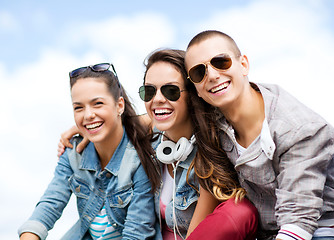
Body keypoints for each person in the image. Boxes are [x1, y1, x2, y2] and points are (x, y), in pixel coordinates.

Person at [58, 49, 258, 240]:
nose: (158, 99)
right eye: (149, 91)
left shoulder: (208, 153)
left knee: (239, 210)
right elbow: (134, 122)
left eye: (171, 91)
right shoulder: (151, 143)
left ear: (192, 93)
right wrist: (87, 129)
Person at [184, 30, 334, 240]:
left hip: (316, 230)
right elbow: (164, 113)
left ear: (243, 64)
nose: (212, 75)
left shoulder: (299, 129)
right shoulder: (213, 121)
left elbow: (298, 224)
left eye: (221, 62)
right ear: (196, 89)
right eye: (199, 72)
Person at [18, 63, 160, 240]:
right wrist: (29, 235)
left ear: (119, 105)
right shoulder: (73, 153)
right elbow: (50, 204)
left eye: (97, 104)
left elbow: (136, 233)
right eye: (78, 107)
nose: (88, 115)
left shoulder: (140, 156)